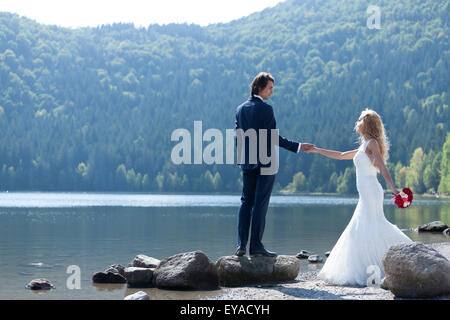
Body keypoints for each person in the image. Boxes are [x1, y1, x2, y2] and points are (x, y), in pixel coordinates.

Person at [307, 108, 413, 286]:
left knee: (369, 226)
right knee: (367, 227)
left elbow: (382, 166)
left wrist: (393, 188)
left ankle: (402, 255)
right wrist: (317, 150)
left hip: (371, 192)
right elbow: (340, 156)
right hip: (366, 193)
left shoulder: (372, 143)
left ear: (367, 124)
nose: (357, 122)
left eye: (360, 119)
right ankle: (381, 265)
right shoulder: (363, 146)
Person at [234, 72, 314, 257]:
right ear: (259, 87)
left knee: (246, 202)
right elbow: (273, 137)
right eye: (270, 88)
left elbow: (238, 137)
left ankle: (240, 246)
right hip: (265, 162)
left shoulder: (240, 109)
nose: (272, 92)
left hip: (247, 161)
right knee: (260, 203)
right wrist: (299, 146)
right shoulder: (266, 109)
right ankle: (256, 246)